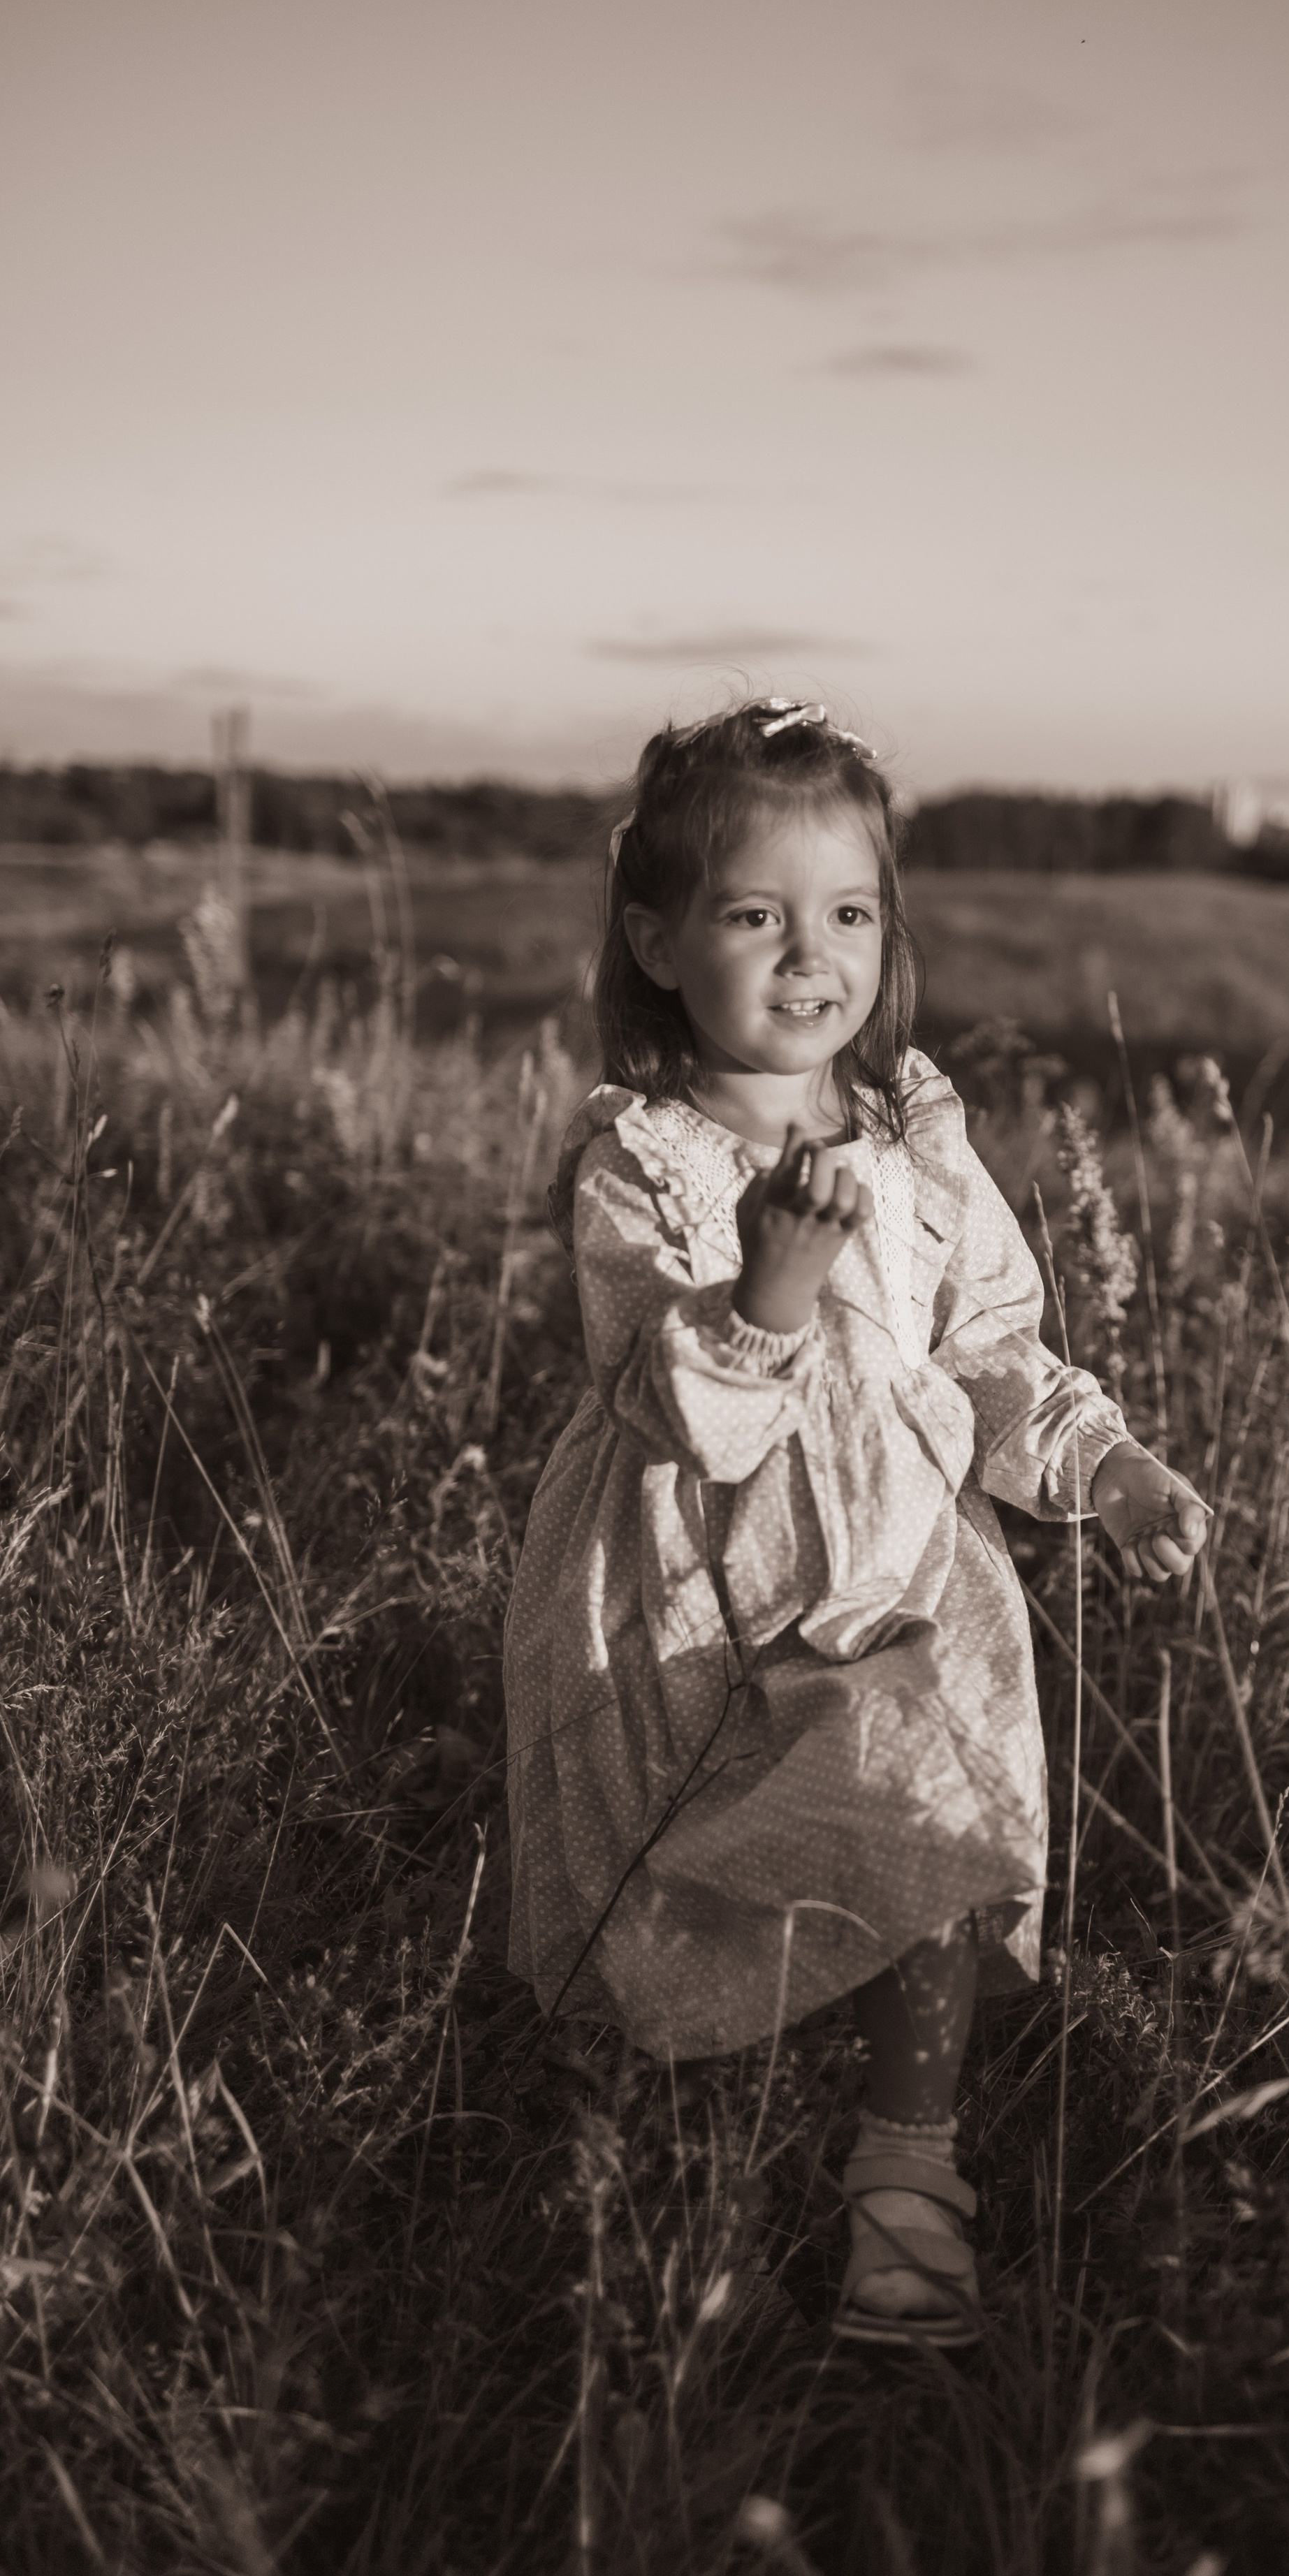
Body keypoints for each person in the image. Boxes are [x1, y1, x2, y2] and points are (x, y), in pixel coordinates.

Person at [504, 696, 1209, 2346]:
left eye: (846, 914)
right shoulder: (645, 1165)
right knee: (694, 1870)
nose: (807, 955)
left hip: (897, 1577)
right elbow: (682, 1408)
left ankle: (905, 2183)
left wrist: (1102, 1471)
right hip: (689, 1594)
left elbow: (986, 1346)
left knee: (928, 1829)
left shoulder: (914, 1143)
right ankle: (649, 2168)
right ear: (658, 941)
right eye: (754, 915)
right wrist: (777, 1278)